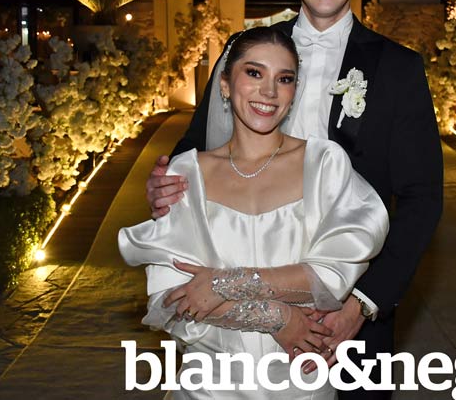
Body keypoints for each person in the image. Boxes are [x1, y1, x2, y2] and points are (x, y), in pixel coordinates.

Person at [146, 0, 443, 398]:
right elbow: (196, 147)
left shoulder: (399, 69)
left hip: (349, 309)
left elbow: (421, 199)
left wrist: (362, 304)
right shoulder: (246, 52)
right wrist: (165, 186)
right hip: (242, 303)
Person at [120, 26, 390, 399]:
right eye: (254, 73)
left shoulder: (325, 164)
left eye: (284, 79)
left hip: (301, 383)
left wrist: (222, 284)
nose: (269, 91)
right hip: (210, 387)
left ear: (295, 91)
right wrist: (277, 317)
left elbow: (331, 275)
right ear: (225, 84)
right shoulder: (185, 174)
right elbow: (171, 297)